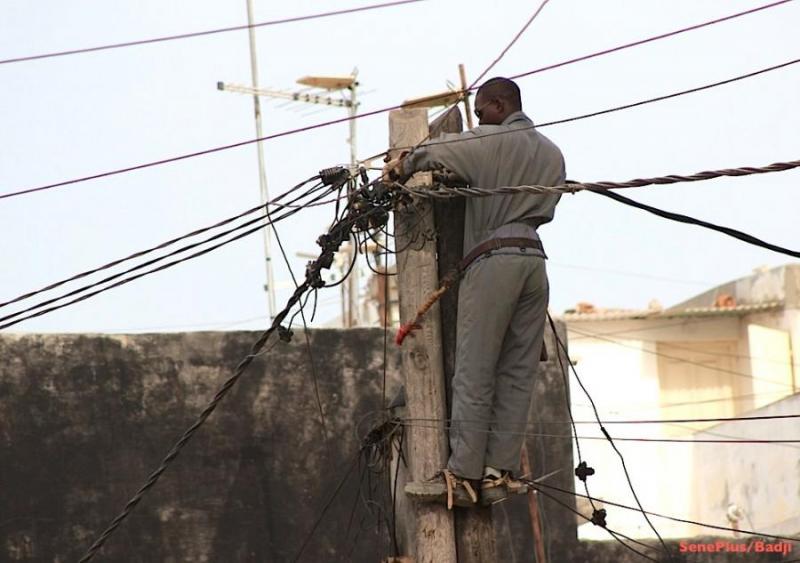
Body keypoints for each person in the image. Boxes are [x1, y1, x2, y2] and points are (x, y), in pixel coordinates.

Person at [385, 77, 566, 506]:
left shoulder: (488, 141)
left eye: (482, 110)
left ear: (500, 105)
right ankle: (498, 470)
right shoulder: (552, 153)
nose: (478, 118)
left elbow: (434, 151)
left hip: (493, 259)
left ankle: (463, 473)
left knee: (475, 369)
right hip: (535, 262)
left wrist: (400, 165)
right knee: (517, 372)